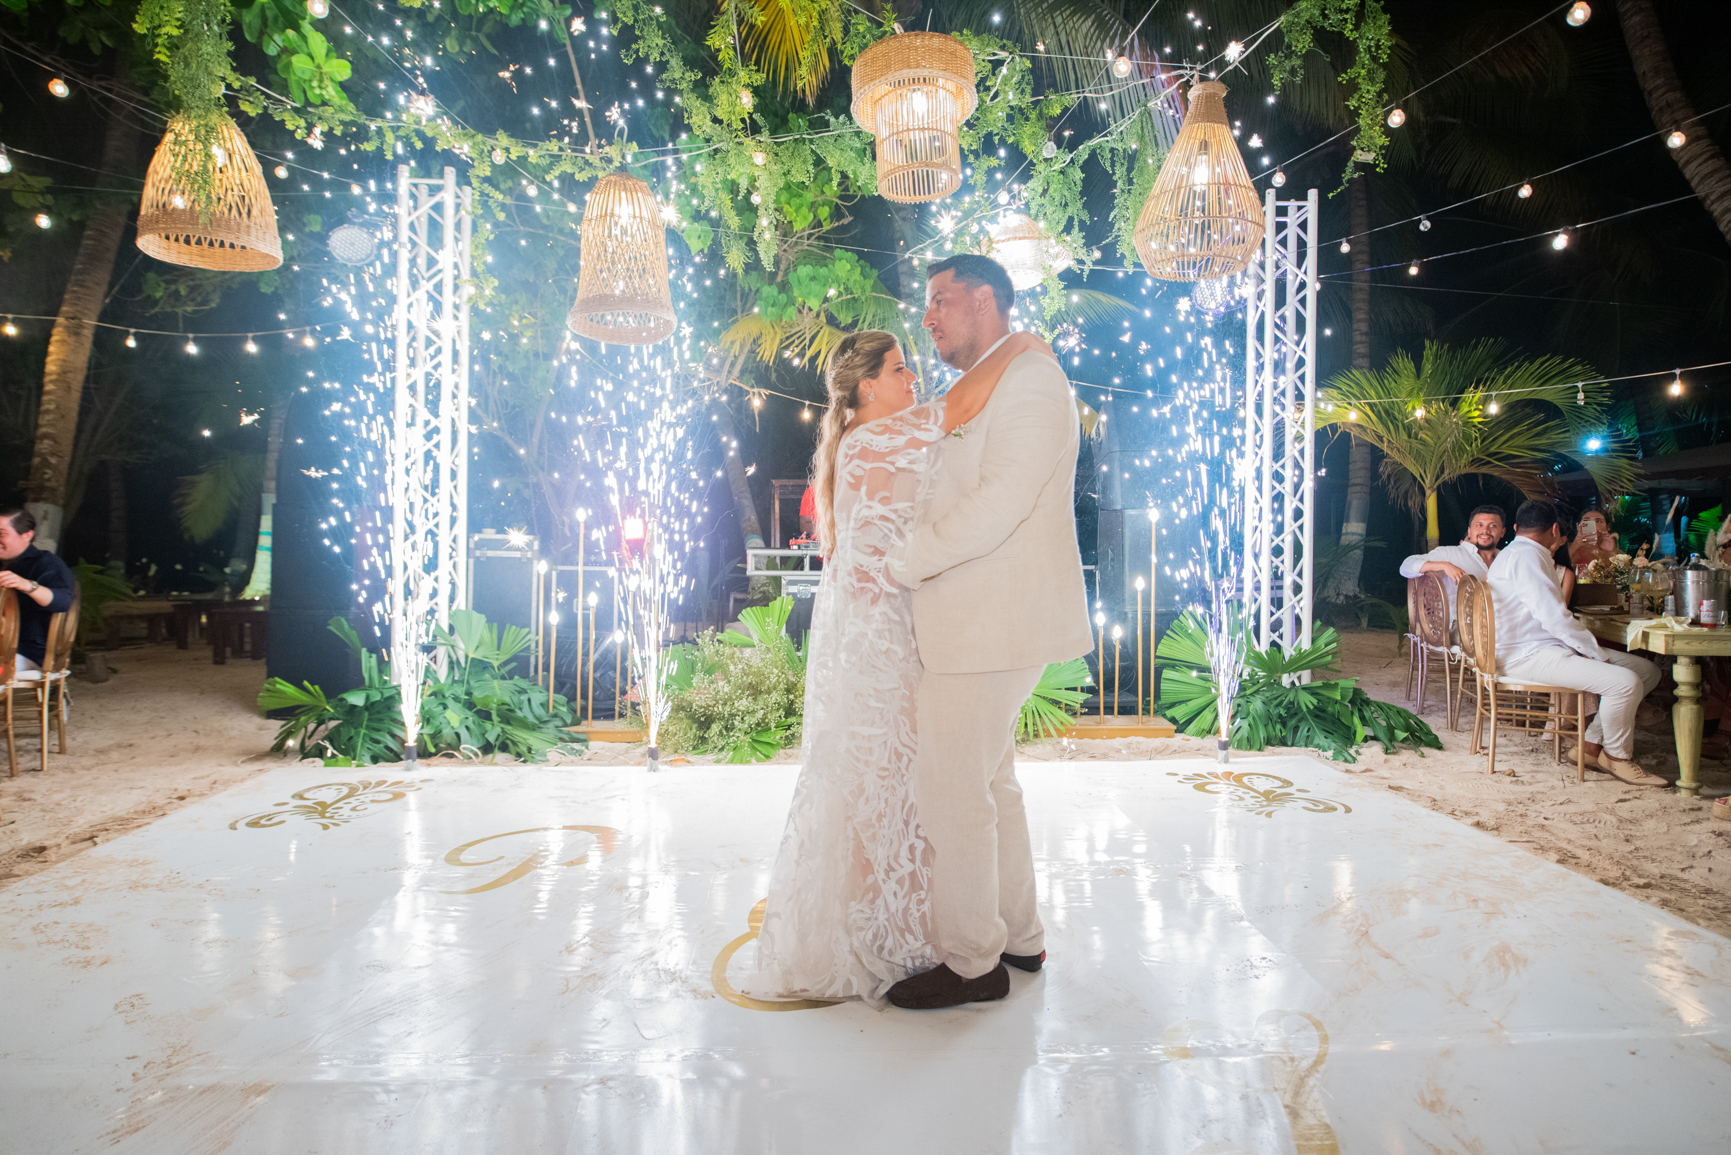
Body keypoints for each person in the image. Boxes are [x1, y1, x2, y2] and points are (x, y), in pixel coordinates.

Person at [749, 315, 1058, 1008]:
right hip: (884, 634)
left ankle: (941, 930)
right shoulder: (870, 439)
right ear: (865, 387)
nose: (913, 377)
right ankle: (913, 935)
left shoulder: (873, 440)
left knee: (919, 782)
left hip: (897, 623)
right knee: (903, 781)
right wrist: (1018, 344)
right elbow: (960, 405)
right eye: (898, 368)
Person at [886, 253, 1092, 1010]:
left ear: (983, 299)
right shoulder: (989, 381)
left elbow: (1001, 501)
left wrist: (903, 561)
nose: (928, 317)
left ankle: (973, 964)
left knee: (950, 792)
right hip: (979, 622)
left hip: (992, 623)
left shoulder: (1031, 380)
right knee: (991, 783)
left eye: (940, 300)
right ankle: (1019, 936)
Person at [1487, 499, 1665, 787]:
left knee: (1647, 672)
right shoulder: (1527, 557)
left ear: (1517, 527)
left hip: (1539, 648)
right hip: (1526, 655)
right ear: (1554, 529)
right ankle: (1617, 757)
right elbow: (1555, 618)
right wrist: (1594, 653)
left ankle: (1590, 746)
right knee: (1625, 683)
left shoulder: (1518, 553)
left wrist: (1589, 651)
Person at [1399, 504, 1505, 634]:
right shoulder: (1451, 554)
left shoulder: (1506, 559)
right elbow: (1406, 566)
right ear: (1470, 531)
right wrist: (1445, 565)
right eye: (1479, 525)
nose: (1485, 530)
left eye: (1493, 526)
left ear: (1502, 532)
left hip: (1501, 626)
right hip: (1459, 631)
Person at [0, 508, 76, 677]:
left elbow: (63, 602)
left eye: (1, 534)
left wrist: (28, 586)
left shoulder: (46, 563)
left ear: (27, 535)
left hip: (27, 653)